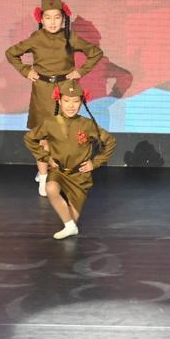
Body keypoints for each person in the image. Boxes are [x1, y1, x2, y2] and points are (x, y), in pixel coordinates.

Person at [6, 0, 104, 196]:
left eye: (57, 17)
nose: (52, 22)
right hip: (42, 91)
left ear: (63, 18)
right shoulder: (36, 38)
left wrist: (80, 72)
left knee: (62, 136)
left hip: (65, 91)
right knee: (43, 136)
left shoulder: (69, 37)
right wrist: (26, 71)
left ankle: (59, 174)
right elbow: (11, 53)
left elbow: (95, 53)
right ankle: (43, 177)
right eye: (48, 17)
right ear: (41, 19)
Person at [24, 79, 117, 240]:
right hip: (59, 171)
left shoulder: (87, 124)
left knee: (72, 221)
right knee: (50, 188)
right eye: (66, 101)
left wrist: (95, 163)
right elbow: (29, 138)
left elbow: (110, 142)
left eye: (75, 101)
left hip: (80, 176)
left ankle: (70, 225)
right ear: (59, 101)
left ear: (82, 102)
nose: (71, 105)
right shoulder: (50, 123)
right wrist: (46, 158)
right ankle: (69, 226)